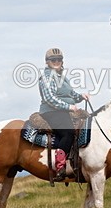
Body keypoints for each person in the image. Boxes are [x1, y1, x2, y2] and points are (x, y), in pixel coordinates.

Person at [38, 48, 90, 179]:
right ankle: (60, 167)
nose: (56, 62)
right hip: (52, 111)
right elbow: (50, 98)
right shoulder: (47, 77)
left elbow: (70, 94)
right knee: (68, 132)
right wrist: (69, 106)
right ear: (47, 62)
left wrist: (81, 96)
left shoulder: (62, 77)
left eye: (59, 59)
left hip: (65, 110)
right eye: (53, 60)